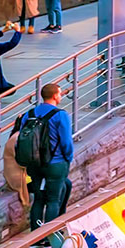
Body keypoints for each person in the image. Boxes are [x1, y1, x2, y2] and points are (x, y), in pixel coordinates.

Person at [13, 82, 74, 227]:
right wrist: (68, 158)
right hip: (55, 163)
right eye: (59, 94)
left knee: (39, 199)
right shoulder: (60, 115)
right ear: (55, 96)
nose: (60, 96)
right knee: (53, 200)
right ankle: (50, 234)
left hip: (34, 163)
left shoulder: (29, 114)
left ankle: (36, 235)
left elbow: (21, 137)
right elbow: (66, 142)